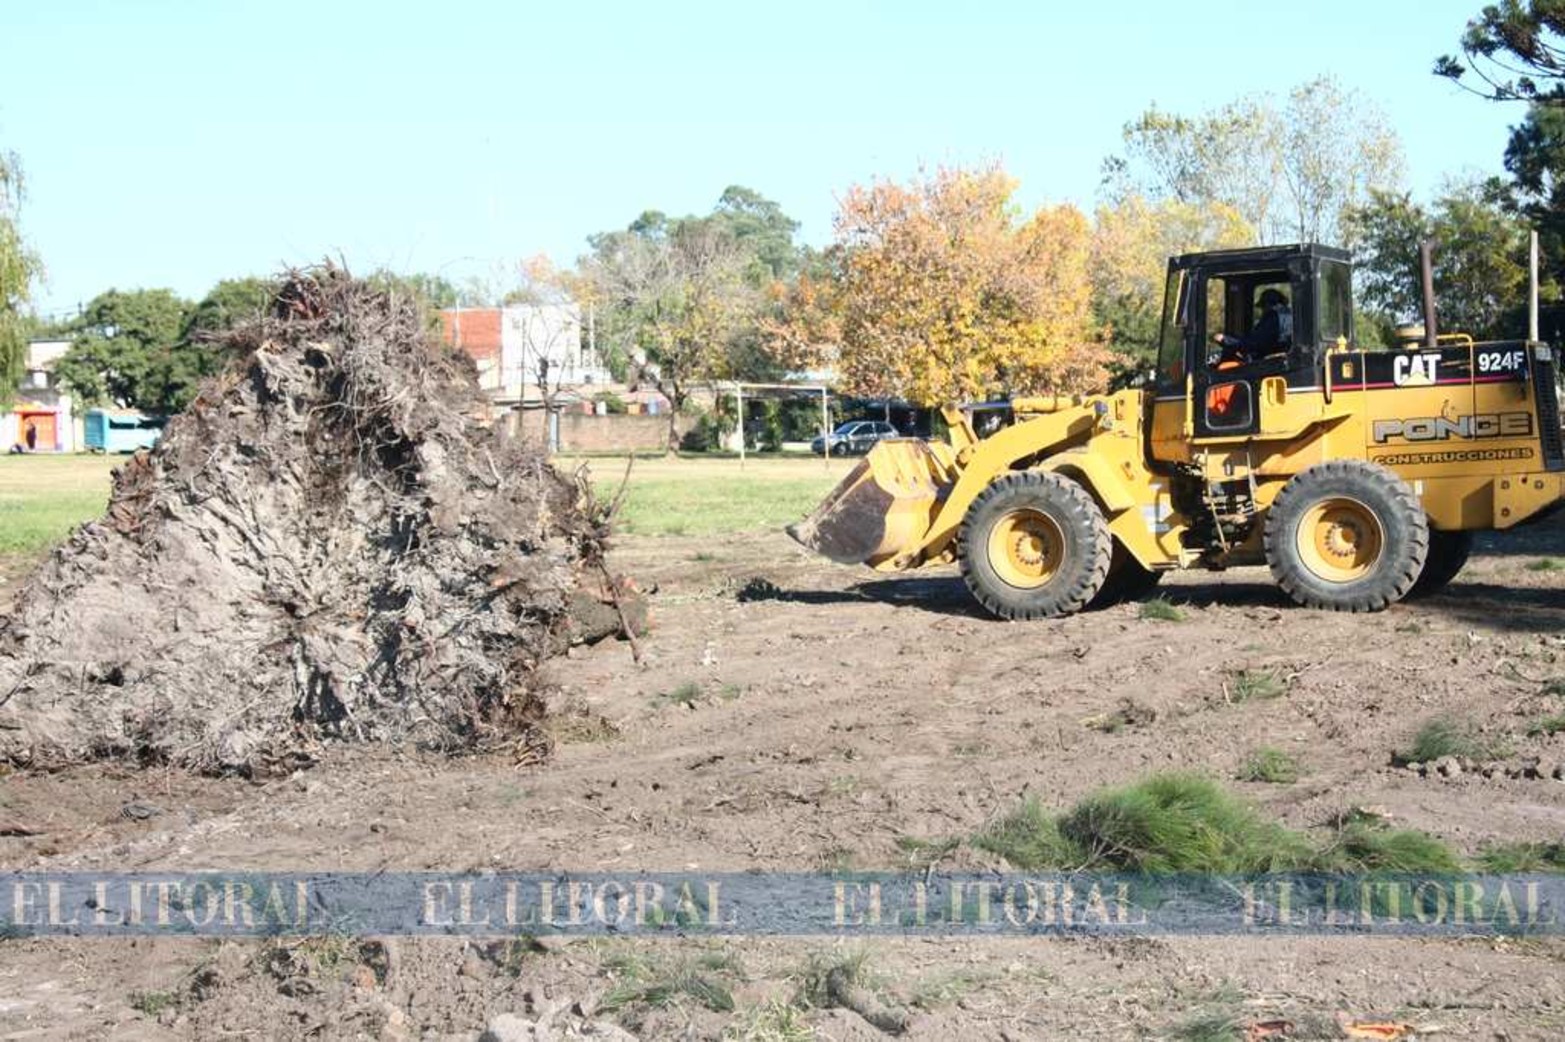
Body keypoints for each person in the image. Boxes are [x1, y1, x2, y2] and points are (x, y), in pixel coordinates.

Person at [1213, 288, 1292, 363]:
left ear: (1268, 304)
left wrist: (1226, 340)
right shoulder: (1287, 315)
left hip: (1271, 364)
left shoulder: (1274, 318)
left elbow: (1256, 343)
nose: (1262, 311)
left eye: (1263, 307)